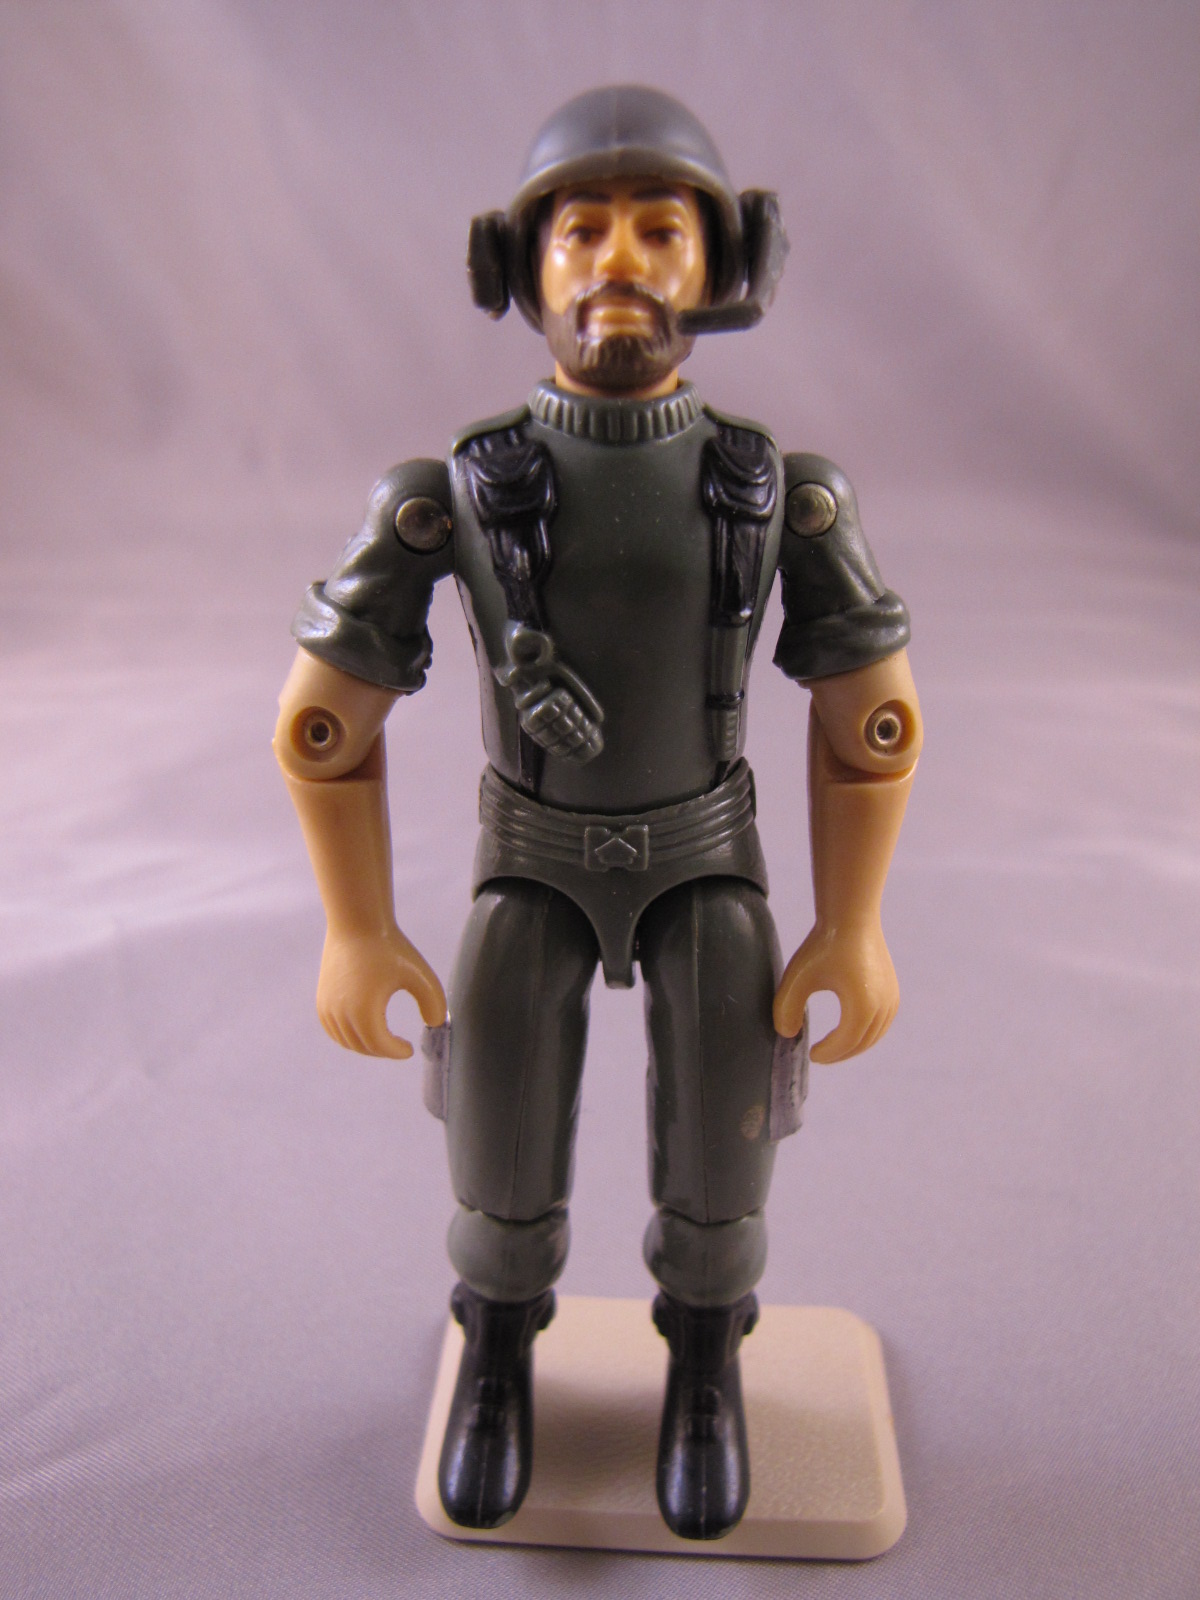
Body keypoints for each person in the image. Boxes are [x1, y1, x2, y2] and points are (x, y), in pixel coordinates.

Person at [274, 85, 922, 1541]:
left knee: (723, 1152)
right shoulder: (451, 494)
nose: (618, 258)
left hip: (706, 864)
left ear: (724, 262)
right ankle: (499, 1352)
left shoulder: (771, 491)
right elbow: (321, 726)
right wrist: (355, 928)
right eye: (580, 231)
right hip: (534, 863)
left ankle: (705, 1365)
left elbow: (872, 727)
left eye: (658, 229)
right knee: (499, 1145)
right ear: (518, 266)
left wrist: (856, 923)